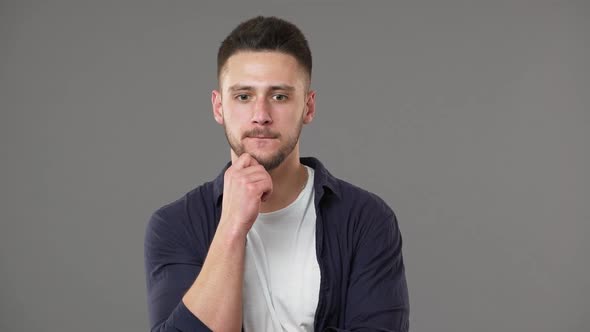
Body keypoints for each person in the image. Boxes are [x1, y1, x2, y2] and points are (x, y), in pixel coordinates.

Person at [144, 16, 410, 332]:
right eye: (244, 96)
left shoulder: (366, 219)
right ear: (219, 107)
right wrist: (231, 228)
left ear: (308, 107)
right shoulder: (176, 225)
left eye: (279, 96)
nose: (261, 116)